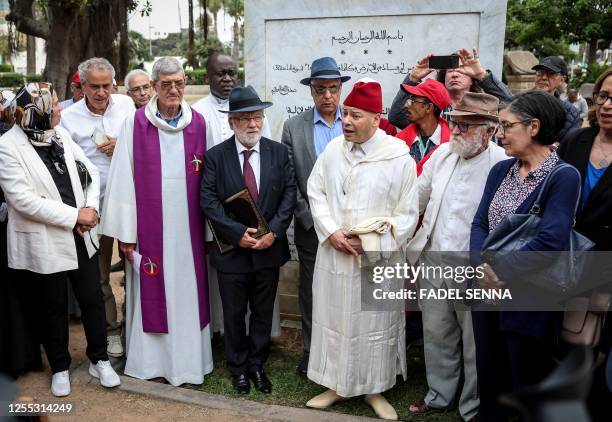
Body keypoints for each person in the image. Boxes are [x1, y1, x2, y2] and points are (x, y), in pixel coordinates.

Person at [306, 78, 419, 420]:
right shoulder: (332, 152)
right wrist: (331, 233)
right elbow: (316, 192)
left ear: (375, 118)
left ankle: (375, 390)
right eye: (345, 115)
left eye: (355, 115)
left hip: (377, 261)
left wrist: (369, 242)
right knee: (335, 319)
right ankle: (337, 385)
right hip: (335, 256)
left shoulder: (398, 157)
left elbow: (407, 215)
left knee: (375, 324)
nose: (347, 122)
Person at [0, 82, 120, 396]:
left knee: (92, 299)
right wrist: (72, 216)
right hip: (47, 237)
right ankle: (60, 367)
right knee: (53, 305)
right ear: (33, 113)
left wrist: (90, 209)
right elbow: (22, 200)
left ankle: (99, 359)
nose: (59, 109)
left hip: (81, 233)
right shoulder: (8, 146)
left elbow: (90, 170)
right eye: (53, 105)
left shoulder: (60, 134)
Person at [100, 57, 213, 386]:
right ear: (154, 87)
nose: (174, 90)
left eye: (179, 83)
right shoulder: (135, 124)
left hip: (190, 229)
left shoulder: (200, 124)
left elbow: (211, 180)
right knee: (153, 290)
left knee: (189, 291)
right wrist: (126, 232)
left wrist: (209, 229)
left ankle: (190, 364)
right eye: (166, 84)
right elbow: (122, 178)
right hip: (150, 233)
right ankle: (152, 363)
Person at [470, 90, 581, 422]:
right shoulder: (500, 170)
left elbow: (551, 240)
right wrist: (480, 267)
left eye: (507, 125)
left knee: (525, 382)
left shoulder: (563, 176)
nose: (500, 134)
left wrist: (496, 270)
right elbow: (479, 222)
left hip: (529, 298)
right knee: (490, 377)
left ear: (534, 127)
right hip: (486, 293)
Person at [406, 93, 507, 420]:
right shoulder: (442, 156)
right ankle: (439, 396)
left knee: (475, 343)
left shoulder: (502, 164)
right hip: (434, 260)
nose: (457, 131)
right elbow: (415, 200)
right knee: (437, 334)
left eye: (466, 125)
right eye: (455, 123)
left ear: (489, 130)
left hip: (475, 267)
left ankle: (472, 407)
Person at [200, 86, 296, 395]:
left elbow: (290, 194)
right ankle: (238, 368)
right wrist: (237, 234)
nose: (253, 124)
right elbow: (209, 201)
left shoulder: (278, 152)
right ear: (231, 123)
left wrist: (274, 232)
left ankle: (257, 365)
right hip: (232, 254)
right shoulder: (215, 157)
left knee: (263, 313)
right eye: (244, 119)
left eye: (257, 117)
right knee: (233, 313)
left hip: (269, 251)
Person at [192, 53, 276, 337]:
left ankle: (257, 344)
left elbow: (278, 176)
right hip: (223, 223)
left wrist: (271, 229)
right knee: (229, 296)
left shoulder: (259, 121)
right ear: (208, 77)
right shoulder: (196, 113)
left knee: (261, 300)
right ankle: (220, 332)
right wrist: (230, 228)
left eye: (232, 73)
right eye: (220, 73)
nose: (227, 78)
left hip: (262, 228)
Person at [60, 57, 136, 358]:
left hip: (130, 202)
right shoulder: (69, 118)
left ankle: (136, 327)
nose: (102, 92)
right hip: (94, 207)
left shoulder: (127, 107)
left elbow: (144, 144)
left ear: (114, 84)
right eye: (94, 86)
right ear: (82, 86)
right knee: (101, 274)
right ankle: (111, 331)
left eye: (107, 86)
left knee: (137, 267)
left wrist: (123, 144)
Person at [280, 56, 350, 377]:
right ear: (311, 91)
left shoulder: (354, 121)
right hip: (311, 228)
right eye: (320, 89)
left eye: (333, 89)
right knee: (311, 290)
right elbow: (290, 180)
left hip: (350, 226)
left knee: (347, 288)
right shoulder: (294, 128)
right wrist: (309, 219)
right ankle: (311, 350)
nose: (327, 96)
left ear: (340, 89)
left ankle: (346, 351)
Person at [557, 68, 612, 422]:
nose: (608, 104)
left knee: (596, 346)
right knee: (564, 340)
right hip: (565, 257)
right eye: (604, 96)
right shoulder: (576, 140)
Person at [388, 48, 512, 129]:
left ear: (472, 79)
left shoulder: (485, 105)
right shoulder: (431, 109)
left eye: (461, 71)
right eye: (450, 71)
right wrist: (413, 78)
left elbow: (512, 105)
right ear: (443, 78)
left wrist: (482, 75)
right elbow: (396, 117)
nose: (454, 74)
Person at [396, 78, 452, 174]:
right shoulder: (400, 141)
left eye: (412, 101)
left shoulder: (451, 144)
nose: (406, 105)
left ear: (428, 108)